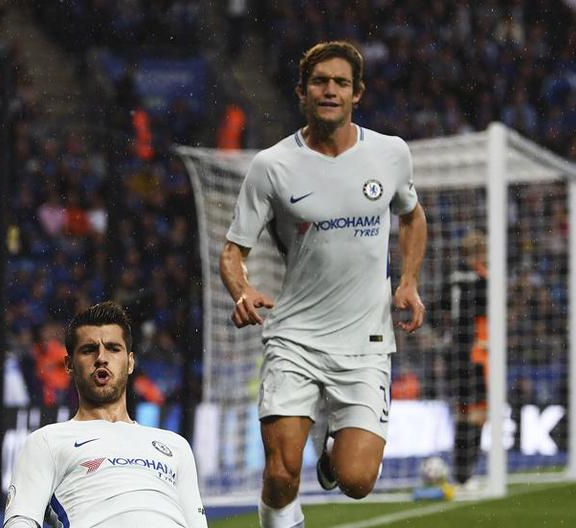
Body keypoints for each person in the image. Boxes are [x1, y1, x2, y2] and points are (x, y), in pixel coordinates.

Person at [219, 40, 427, 527]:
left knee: (357, 481)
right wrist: (241, 290)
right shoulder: (272, 166)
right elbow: (233, 251)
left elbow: (413, 217)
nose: (329, 90)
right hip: (296, 338)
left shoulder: (391, 154)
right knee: (281, 472)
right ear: (301, 92)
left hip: (367, 341)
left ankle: (331, 460)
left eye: (340, 83)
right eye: (319, 82)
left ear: (358, 93)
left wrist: (410, 281)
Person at [2, 302, 208, 528]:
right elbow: (20, 521)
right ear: (69, 364)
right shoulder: (47, 442)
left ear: (130, 362)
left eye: (113, 348)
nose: (101, 357)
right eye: (89, 350)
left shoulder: (175, 446)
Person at [441, 230, 488, 486]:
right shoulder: (483, 279)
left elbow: (441, 311)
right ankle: (467, 472)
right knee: (477, 414)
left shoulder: (451, 277)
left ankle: (458, 471)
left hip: (455, 353)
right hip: (477, 352)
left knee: (461, 412)